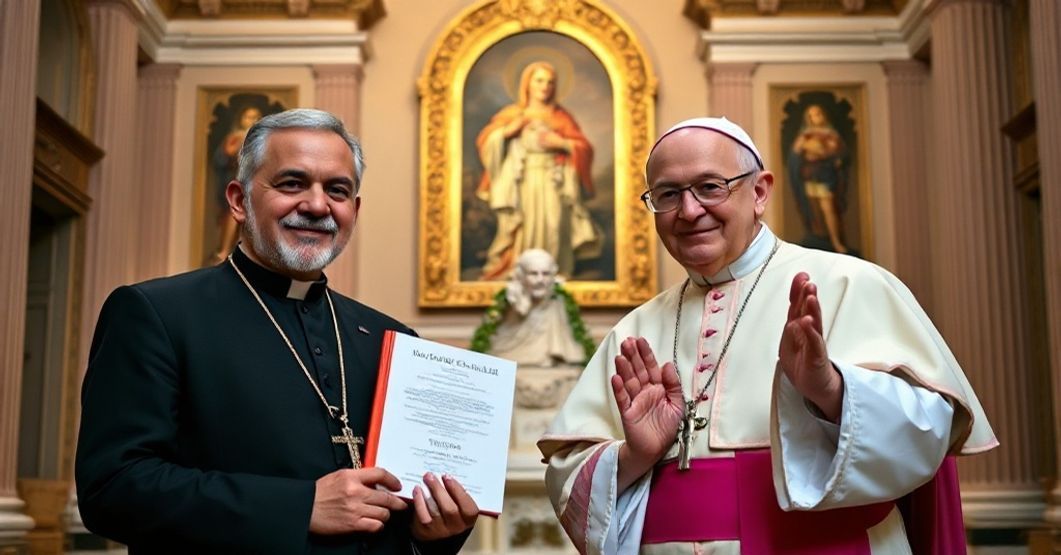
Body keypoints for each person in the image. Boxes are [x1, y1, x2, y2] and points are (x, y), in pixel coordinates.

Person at [537, 116, 996, 554]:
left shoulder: (850, 284)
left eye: (710, 187)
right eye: (668, 194)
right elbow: (568, 479)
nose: (689, 211)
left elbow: (928, 435)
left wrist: (830, 390)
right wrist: (635, 455)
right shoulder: (635, 329)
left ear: (759, 192)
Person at [76, 109, 478, 554]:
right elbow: (112, 489)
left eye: (337, 190)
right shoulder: (158, 314)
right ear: (239, 200)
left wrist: (430, 534)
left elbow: (406, 518)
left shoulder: (391, 339)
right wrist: (300, 507)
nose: (318, 206)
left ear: (354, 210)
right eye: (292, 183)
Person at [475, 61, 601, 280]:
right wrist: (507, 132)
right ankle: (521, 273)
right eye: (539, 81)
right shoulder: (513, 114)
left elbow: (584, 148)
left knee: (553, 224)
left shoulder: (561, 117)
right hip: (523, 180)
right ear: (528, 84)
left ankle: (553, 272)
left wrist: (562, 144)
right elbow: (486, 141)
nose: (545, 86)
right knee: (524, 227)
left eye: (550, 82)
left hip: (553, 180)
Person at [488, 248, 588, 367]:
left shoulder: (559, 303)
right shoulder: (512, 302)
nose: (540, 280)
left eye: (546, 274)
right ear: (521, 276)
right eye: (533, 274)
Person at [788, 104, 849, 253]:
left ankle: (835, 242)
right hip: (810, 175)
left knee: (828, 209)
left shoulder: (831, 135)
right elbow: (795, 154)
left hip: (825, 175)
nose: (815, 118)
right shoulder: (805, 135)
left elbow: (837, 153)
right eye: (811, 115)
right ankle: (819, 238)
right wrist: (805, 149)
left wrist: (819, 151)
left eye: (817, 114)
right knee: (813, 210)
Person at [209, 105, 263, 265]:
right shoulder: (235, 137)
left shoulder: (264, 139)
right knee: (233, 215)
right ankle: (225, 250)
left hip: (255, 182)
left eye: (255, 117)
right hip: (237, 180)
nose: (251, 120)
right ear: (241, 119)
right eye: (248, 117)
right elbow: (223, 157)